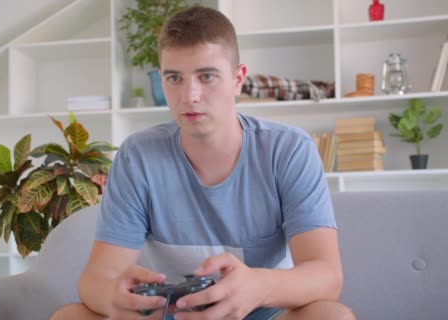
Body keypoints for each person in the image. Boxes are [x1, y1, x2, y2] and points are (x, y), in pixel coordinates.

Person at [51, 6, 354, 320]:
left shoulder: (290, 150)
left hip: (262, 313)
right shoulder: (137, 156)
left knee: (332, 316)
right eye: (174, 78)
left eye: (206, 76)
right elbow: (96, 279)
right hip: (168, 315)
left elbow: (327, 276)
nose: (189, 95)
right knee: (69, 316)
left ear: (238, 79)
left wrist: (257, 287)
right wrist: (113, 297)